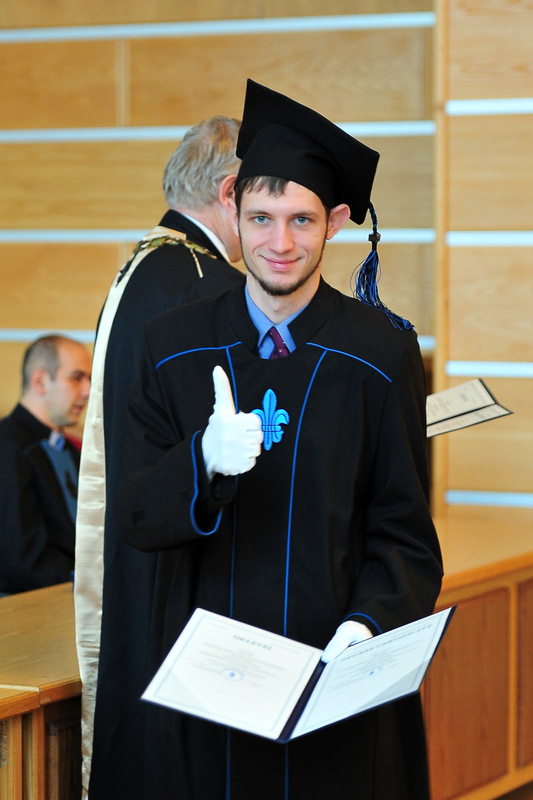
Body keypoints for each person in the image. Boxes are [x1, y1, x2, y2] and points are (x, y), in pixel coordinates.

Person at [112, 80, 443, 800]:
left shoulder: (380, 355)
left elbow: (405, 536)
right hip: (205, 702)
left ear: (336, 222)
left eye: (301, 220)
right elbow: (134, 515)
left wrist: (367, 628)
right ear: (232, 205)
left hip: (334, 693)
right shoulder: (170, 346)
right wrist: (200, 463)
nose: (280, 243)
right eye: (261, 218)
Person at [74, 116, 245, 798]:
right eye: (260, 204)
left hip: (143, 546)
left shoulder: (150, 266)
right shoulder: (204, 284)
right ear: (229, 193)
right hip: (186, 556)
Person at [0, 334, 91, 595]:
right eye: (76, 378)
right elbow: (21, 558)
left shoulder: (66, 446)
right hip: (29, 604)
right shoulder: (7, 446)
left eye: (89, 379)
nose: (87, 391)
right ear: (40, 381)